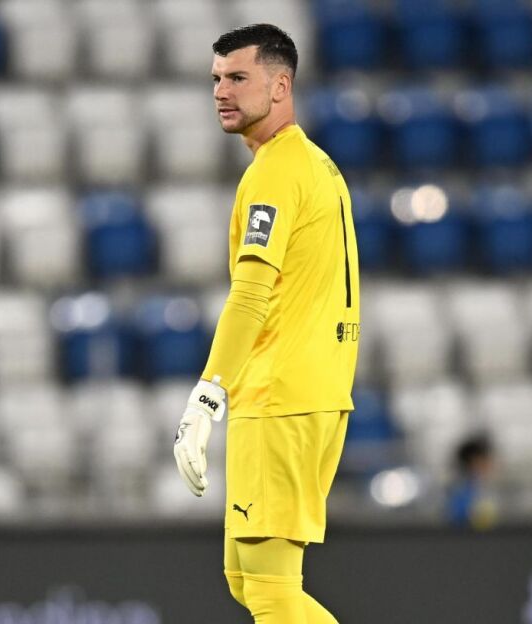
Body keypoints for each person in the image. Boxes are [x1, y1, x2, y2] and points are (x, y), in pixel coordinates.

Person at [172, 23, 360, 624]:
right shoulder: (316, 164)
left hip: (280, 399)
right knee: (245, 579)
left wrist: (207, 396)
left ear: (281, 86)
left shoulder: (275, 173)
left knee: (272, 592)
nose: (221, 92)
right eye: (216, 79)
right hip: (310, 394)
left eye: (238, 77)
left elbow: (251, 295)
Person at [446, 434, 498, 530]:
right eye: (484, 460)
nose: (490, 465)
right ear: (472, 463)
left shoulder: (485, 489)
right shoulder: (460, 494)